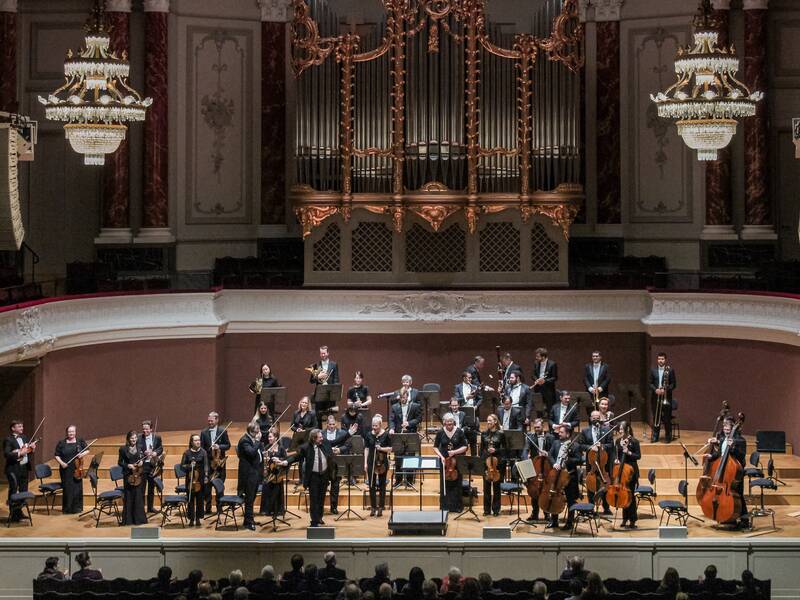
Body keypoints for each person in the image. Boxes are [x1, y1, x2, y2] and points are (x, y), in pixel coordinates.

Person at [288, 428, 340, 527]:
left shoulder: (325, 443)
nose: (322, 438)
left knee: (321, 498)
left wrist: (349, 433)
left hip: (324, 475)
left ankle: (319, 517)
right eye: (320, 437)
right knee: (314, 499)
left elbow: (337, 441)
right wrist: (286, 462)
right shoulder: (306, 447)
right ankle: (314, 521)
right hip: (313, 477)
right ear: (313, 439)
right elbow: (296, 457)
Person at [703, 417, 748, 528]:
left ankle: (744, 519)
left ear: (733, 428)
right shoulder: (723, 439)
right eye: (724, 427)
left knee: (738, 495)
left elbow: (741, 455)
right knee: (728, 494)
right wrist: (711, 456)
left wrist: (732, 446)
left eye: (728, 428)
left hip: (734, 471)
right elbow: (720, 454)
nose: (725, 430)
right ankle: (727, 516)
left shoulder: (740, 440)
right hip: (723, 469)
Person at [577, 411, 613, 515]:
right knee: (591, 485)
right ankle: (590, 507)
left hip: (603, 463)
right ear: (590, 418)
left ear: (600, 418)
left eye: (598, 417)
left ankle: (606, 508)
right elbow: (580, 445)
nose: (596, 419)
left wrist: (602, 446)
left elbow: (611, 445)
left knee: (604, 485)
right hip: (591, 463)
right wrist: (590, 447)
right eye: (594, 417)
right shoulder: (585, 431)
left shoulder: (606, 430)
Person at [547, 424, 580, 530]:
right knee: (554, 496)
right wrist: (554, 464)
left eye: (561, 432)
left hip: (569, 476)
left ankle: (570, 523)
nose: (559, 434)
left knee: (570, 499)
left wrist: (568, 460)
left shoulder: (575, 445)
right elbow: (550, 455)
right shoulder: (556, 443)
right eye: (559, 432)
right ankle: (554, 521)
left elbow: (579, 459)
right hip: (556, 474)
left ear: (568, 434)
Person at [433, 413, 468, 512]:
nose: (449, 425)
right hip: (445, 462)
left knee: (457, 483)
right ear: (444, 422)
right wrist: (441, 457)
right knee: (445, 484)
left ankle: (457, 506)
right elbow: (435, 447)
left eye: (451, 422)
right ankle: (445, 506)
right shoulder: (440, 432)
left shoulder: (459, 431)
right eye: (447, 423)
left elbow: (465, 446)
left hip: (457, 461)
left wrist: (454, 452)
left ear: (453, 422)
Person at [4, 420, 37, 522]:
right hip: (13, 469)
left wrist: (32, 448)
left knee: (23, 490)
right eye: (19, 426)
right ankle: (13, 513)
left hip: (24, 468)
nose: (22, 428)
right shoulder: (8, 440)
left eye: (22, 426)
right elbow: (7, 454)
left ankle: (19, 512)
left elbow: (28, 452)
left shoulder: (24, 437)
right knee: (13, 490)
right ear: (13, 428)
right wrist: (19, 453)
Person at [201, 412, 231, 515]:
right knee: (207, 487)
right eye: (208, 420)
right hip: (209, 463)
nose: (210, 422)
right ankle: (208, 509)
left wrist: (219, 447)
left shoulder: (222, 431)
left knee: (220, 486)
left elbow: (228, 445)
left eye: (212, 420)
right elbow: (202, 448)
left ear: (217, 420)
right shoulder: (204, 432)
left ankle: (219, 508)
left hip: (219, 464)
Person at [54, 425, 89, 514]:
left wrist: (82, 454)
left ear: (75, 432)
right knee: (67, 488)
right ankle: (67, 508)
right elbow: (56, 455)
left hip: (77, 469)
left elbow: (87, 450)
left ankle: (77, 508)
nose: (71, 433)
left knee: (77, 488)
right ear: (66, 432)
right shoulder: (61, 443)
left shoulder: (80, 441)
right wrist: (61, 463)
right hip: (65, 468)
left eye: (73, 431)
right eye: (69, 432)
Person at [612, 420, 641, 528]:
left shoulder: (634, 441)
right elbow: (616, 454)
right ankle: (624, 519)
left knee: (631, 496)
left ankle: (632, 519)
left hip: (631, 471)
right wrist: (616, 460)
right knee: (623, 495)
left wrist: (628, 452)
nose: (619, 431)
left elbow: (638, 456)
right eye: (619, 429)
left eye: (621, 429)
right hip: (621, 470)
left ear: (627, 429)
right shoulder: (618, 441)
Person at [389, 389, 421, 485]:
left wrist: (409, 423)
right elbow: (392, 419)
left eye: (404, 397)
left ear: (408, 397)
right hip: (399, 434)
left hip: (410, 433)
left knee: (410, 456)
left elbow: (419, 418)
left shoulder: (414, 406)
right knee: (398, 456)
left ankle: (409, 480)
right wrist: (391, 428)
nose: (403, 399)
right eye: (401, 397)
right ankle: (398, 479)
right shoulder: (395, 407)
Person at [236, 422, 263, 531]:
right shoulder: (244, 440)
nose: (259, 431)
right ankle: (248, 522)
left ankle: (248, 519)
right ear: (252, 431)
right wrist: (257, 441)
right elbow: (251, 453)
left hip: (254, 472)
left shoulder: (251, 439)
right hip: (248, 474)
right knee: (249, 498)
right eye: (258, 429)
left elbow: (256, 453)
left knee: (251, 498)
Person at [526, 418, 554, 521]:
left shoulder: (550, 437)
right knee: (534, 491)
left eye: (538, 427)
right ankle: (535, 514)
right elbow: (526, 449)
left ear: (543, 427)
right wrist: (526, 457)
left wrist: (547, 454)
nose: (536, 429)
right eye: (535, 428)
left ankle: (547, 514)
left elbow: (553, 451)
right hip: (535, 467)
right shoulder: (531, 437)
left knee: (545, 491)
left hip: (547, 467)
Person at [119, 430, 148, 525]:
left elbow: (143, 458)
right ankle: (129, 520)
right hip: (128, 476)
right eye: (132, 438)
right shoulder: (123, 449)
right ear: (128, 439)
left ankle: (139, 519)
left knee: (138, 496)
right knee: (129, 496)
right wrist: (128, 465)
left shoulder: (140, 448)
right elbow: (120, 462)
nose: (134, 440)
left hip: (139, 475)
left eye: (135, 438)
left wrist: (141, 462)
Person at [364, 415, 391, 517]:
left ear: (380, 425)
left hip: (382, 463)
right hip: (371, 462)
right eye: (373, 425)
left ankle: (380, 507)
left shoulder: (386, 435)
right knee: (371, 485)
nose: (374, 427)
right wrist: (365, 463)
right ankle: (373, 507)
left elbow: (390, 448)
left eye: (376, 426)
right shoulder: (368, 435)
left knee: (382, 485)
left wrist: (381, 448)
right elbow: (366, 448)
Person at [480, 413, 505, 516]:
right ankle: (486, 510)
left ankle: (496, 509)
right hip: (486, 462)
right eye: (487, 420)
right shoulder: (484, 434)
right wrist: (482, 461)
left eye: (490, 420)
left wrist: (496, 450)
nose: (488, 422)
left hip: (497, 463)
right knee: (486, 487)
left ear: (495, 422)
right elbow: (481, 449)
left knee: (496, 487)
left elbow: (505, 449)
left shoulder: (501, 434)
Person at [649, 352, 677, 443]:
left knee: (666, 418)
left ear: (665, 360)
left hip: (666, 398)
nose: (660, 361)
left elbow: (674, 384)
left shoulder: (670, 370)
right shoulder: (653, 370)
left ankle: (668, 436)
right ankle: (655, 436)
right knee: (656, 417)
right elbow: (650, 383)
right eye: (659, 359)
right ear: (657, 360)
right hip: (655, 398)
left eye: (662, 359)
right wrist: (655, 390)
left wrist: (666, 389)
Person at [182, 433, 209, 527]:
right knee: (190, 500)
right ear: (191, 442)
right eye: (196, 440)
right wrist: (190, 466)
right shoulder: (187, 453)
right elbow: (182, 466)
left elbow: (206, 465)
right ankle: (191, 519)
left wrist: (206, 476)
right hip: (190, 480)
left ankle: (197, 518)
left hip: (200, 479)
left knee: (200, 500)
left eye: (199, 440)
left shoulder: (203, 452)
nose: (198, 442)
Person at [136, 420, 163, 514]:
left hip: (152, 465)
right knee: (142, 488)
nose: (145, 431)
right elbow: (137, 449)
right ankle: (141, 508)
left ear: (151, 429)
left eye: (147, 429)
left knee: (151, 488)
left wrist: (155, 453)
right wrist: (144, 452)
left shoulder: (157, 437)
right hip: (143, 466)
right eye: (143, 429)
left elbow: (160, 448)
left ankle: (150, 507)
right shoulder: (139, 438)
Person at [309, 346, 340, 426]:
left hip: (330, 394)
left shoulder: (334, 364)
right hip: (320, 394)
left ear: (328, 353)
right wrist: (318, 377)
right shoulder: (316, 365)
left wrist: (333, 389)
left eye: (324, 353)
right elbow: (311, 381)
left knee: (331, 416)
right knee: (318, 416)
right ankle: (319, 434)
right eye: (321, 353)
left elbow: (336, 380)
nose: (323, 355)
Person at [260, 429, 287, 517]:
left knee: (278, 491)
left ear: (276, 438)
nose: (269, 438)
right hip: (269, 473)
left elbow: (285, 459)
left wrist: (279, 460)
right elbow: (264, 462)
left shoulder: (281, 448)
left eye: (271, 437)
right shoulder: (267, 447)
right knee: (268, 490)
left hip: (278, 474)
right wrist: (266, 458)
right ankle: (268, 510)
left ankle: (278, 510)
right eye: (268, 437)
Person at [291, 397, 316, 487]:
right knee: (300, 458)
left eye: (305, 403)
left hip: (307, 438)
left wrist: (305, 430)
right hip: (298, 438)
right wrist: (296, 429)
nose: (304, 404)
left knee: (308, 459)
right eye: (302, 402)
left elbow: (315, 426)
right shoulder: (296, 413)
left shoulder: (312, 414)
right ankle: (301, 479)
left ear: (308, 404)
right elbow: (292, 426)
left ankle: (308, 479)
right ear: (300, 403)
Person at [532, 347, 558, 416]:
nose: (536, 358)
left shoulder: (552, 364)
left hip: (548, 391)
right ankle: (539, 426)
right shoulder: (536, 363)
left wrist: (544, 381)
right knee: (539, 411)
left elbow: (554, 378)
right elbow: (533, 375)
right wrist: (536, 379)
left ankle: (551, 426)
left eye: (538, 356)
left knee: (550, 411)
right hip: (538, 389)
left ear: (543, 357)